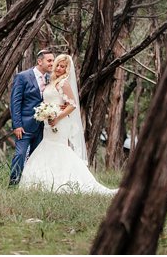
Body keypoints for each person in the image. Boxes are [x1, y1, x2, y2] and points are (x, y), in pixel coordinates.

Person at [19, 54, 118, 195]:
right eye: (57, 65)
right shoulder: (51, 82)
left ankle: (66, 180)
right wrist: (45, 113)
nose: (59, 68)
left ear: (67, 69)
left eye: (62, 66)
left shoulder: (63, 83)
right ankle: (45, 181)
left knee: (59, 149)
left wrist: (57, 117)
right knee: (47, 147)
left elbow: (72, 105)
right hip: (48, 122)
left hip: (59, 123)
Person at [8, 49, 55, 186]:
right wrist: (17, 125)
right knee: (20, 154)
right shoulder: (22, 77)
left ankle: (31, 185)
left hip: (42, 127)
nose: (52, 63)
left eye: (53, 60)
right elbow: (15, 102)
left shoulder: (49, 79)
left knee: (36, 157)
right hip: (24, 126)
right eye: (49, 60)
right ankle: (13, 184)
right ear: (40, 61)